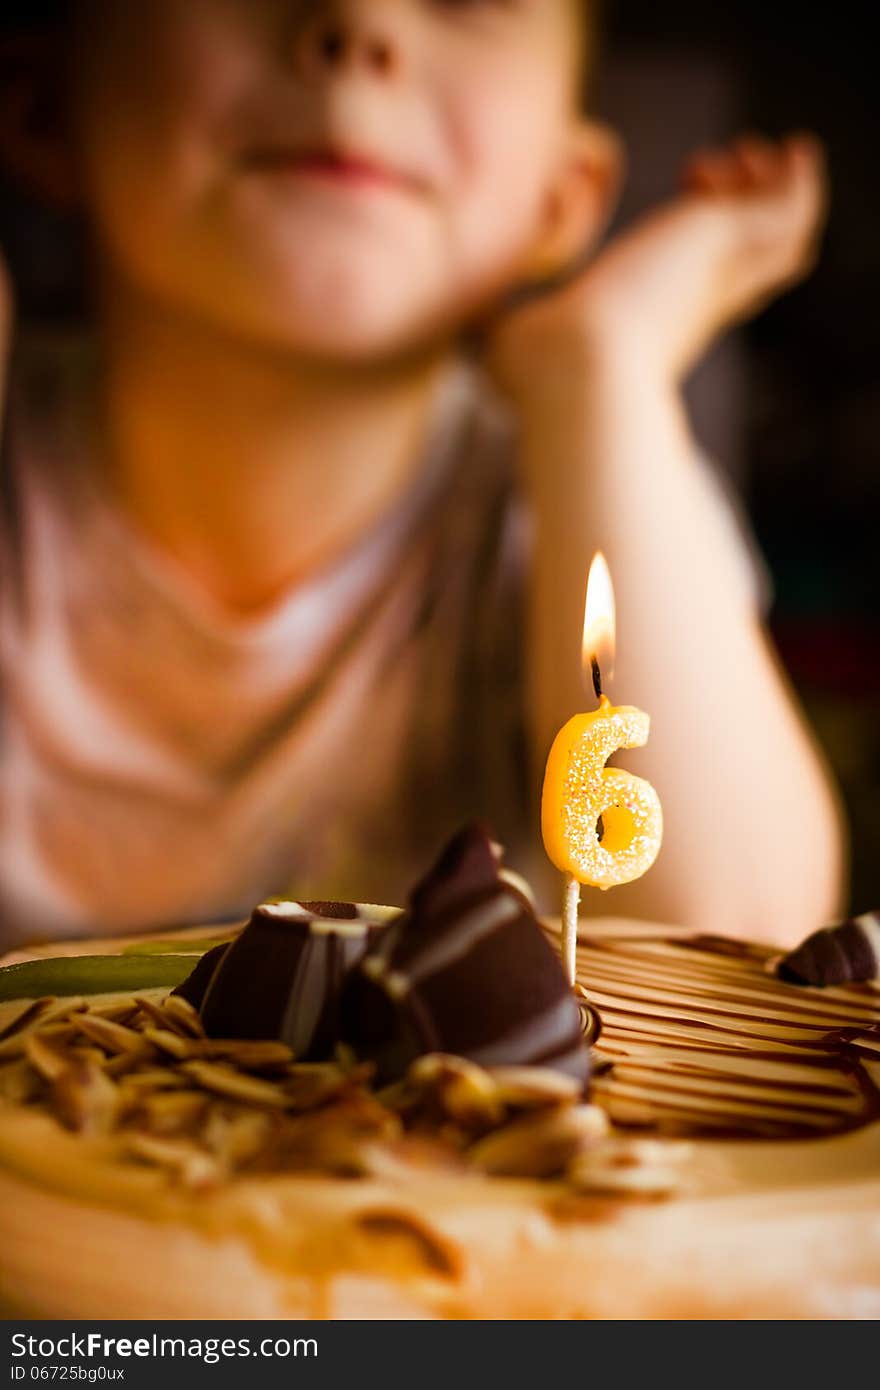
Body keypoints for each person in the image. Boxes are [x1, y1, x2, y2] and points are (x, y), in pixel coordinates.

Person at [0, 0, 844, 947]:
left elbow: (738, 934)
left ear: (563, 197)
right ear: (39, 108)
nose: (359, 24)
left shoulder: (585, 485)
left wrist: (604, 360)